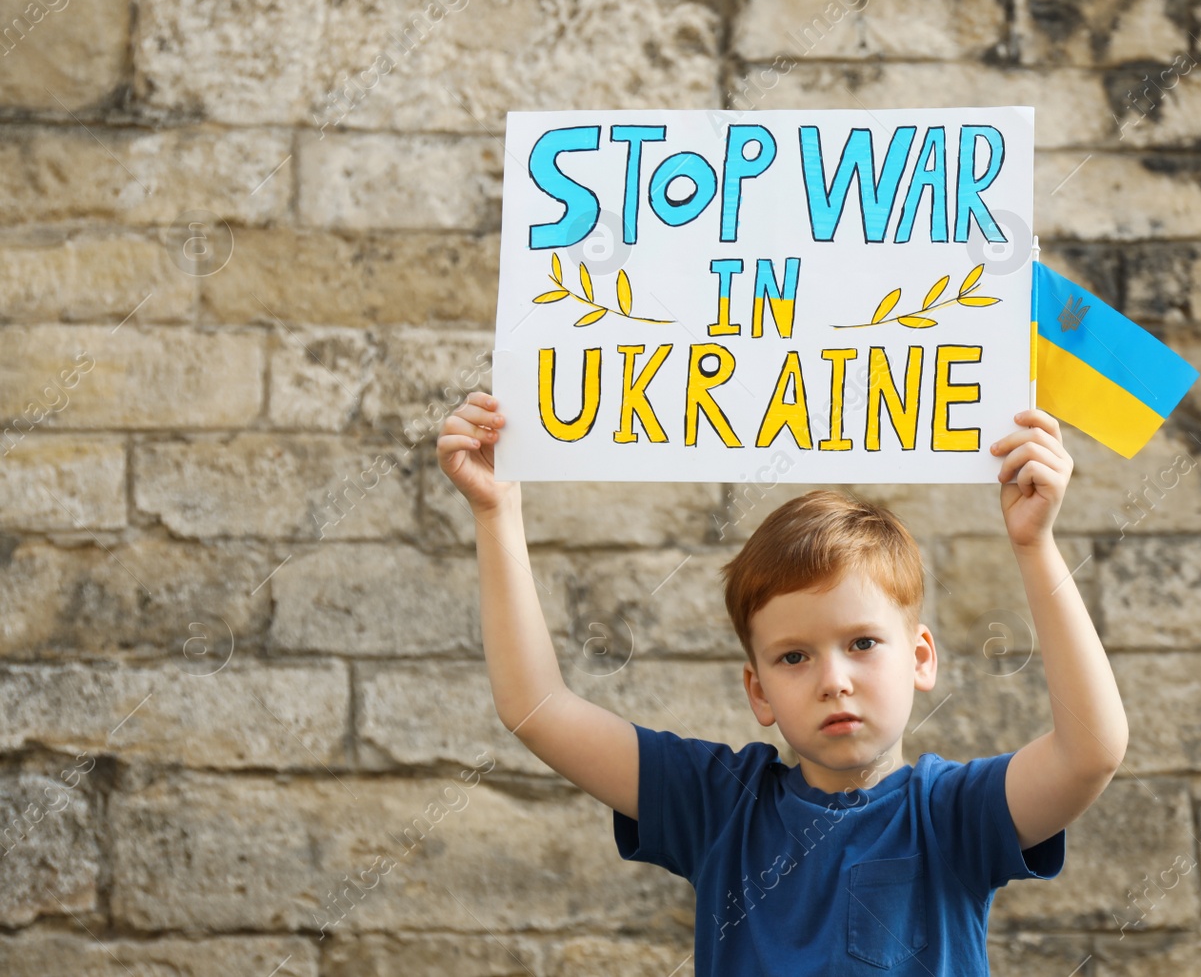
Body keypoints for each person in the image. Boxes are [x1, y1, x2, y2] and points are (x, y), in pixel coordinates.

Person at [437, 392, 1129, 975]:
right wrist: (497, 512)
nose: (834, 679)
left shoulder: (954, 814)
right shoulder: (716, 806)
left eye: (862, 643)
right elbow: (535, 705)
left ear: (921, 658)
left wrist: (1035, 546)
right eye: (794, 657)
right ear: (758, 690)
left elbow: (1091, 750)